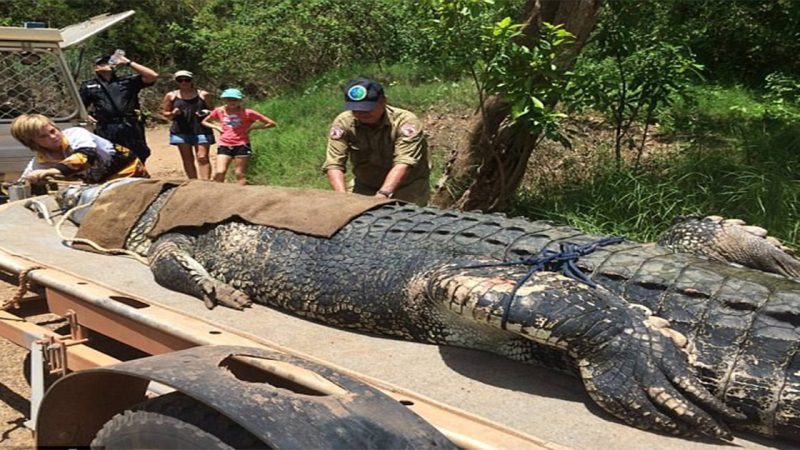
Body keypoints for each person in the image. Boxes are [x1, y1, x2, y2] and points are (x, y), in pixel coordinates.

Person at [321, 78, 431, 206]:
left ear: (383, 101)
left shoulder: (405, 122)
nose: (362, 113)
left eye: (367, 108)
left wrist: (382, 195)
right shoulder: (344, 122)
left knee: (406, 222)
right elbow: (334, 164)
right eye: (356, 110)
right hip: (366, 183)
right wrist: (342, 197)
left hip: (407, 185)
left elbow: (404, 162)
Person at [10, 114, 148, 184]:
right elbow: (24, 182)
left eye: (53, 131)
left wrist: (50, 172)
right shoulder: (39, 163)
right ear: (32, 142)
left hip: (127, 171)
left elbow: (86, 156)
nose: (53, 136)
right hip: (98, 186)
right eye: (43, 136)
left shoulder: (76, 134)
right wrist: (32, 181)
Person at [79, 52, 158, 164]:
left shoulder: (127, 81)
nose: (104, 64)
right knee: (110, 155)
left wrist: (128, 62)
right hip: (106, 127)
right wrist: (85, 115)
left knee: (138, 155)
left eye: (107, 62)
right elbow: (80, 106)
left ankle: (139, 177)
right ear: (95, 68)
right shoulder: (89, 85)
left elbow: (152, 76)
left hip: (130, 126)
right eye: (100, 63)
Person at [201, 88, 276, 185]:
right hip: (225, 144)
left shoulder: (248, 112)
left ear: (240, 100)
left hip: (242, 145)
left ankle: (241, 195)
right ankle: (216, 193)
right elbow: (204, 121)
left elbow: (271, 123)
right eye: (229, 99)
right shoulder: (219, 111)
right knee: (220, 172)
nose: (232, 102)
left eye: (235, 99)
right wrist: (216, 127)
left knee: (239, 173)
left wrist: (253, 128)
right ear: (224, 100)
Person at [161, 70, 215, 180]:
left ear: (191, 81)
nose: (184, 82)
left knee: (202, 157)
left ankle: (206, 183)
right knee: (187, 159)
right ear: (176, 82)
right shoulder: (171, 96)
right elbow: (165, 114)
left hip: (201, 129)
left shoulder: (203, 95)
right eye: (180, 80)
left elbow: (213, 111)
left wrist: (206, 112)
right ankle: (193, 183)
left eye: (187, 80)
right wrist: (173, 113)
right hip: (181, 131)